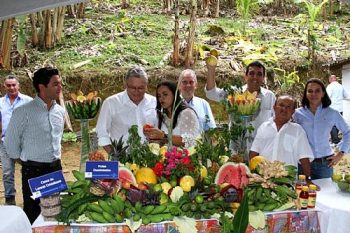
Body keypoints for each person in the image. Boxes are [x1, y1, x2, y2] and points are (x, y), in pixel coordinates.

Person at [5, 67, 65, 223]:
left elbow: (57, 140)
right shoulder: (23, 112)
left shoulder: (60, 111)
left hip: (55, 169)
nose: (60, 87)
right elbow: (10, 144)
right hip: (34, 171)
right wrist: (27, 162)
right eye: (55, 84)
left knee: (56, 213)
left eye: (60, 83)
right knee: (33, 214)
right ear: (42, 87)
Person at [294, 78, 350, 180]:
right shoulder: (297, 114)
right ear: (306, 94)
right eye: (310, 91)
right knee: (302, 194)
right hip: (302, 163)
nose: (313, 94)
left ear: (323, 93)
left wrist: (341, 153)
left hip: (324, 164)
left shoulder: (332, 113)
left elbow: (347, 132)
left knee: (326, 194)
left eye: (317, 91)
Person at [250, 95, 314, 181]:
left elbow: (304, 158)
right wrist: (252, 175)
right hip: (263, 180)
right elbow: (254, 152)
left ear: (293, 111)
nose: (284, 109)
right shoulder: (264, 127)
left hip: (287, 181)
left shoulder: (298, 130)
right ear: (274, 107)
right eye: (281, 105)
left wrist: (308, 180)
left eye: (288, 107)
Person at [205, 59, 276, 136]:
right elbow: (211, 93)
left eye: (259, 74)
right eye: (251, 73)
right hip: (237, 145)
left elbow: (275, 121)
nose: (255, 77)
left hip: (261, 145)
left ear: (263, 78)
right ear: (246, 76)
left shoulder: (270, 96)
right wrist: (211, 69)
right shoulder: (234, 92)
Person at [96, 66, 157, 154]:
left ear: (146, 86)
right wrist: (115, 156)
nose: (136, 91)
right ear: (126, 85)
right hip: (121, 159)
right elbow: (101, 133)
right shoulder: (111, 103)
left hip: (150, 158)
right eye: (132, 88)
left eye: (141, 88)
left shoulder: (155, 102)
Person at [0, 75, 32, 206]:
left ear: (18, 85)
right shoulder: (0, 102)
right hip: (5, 142)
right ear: (4, 86)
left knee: (29, 169)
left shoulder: (28, 101)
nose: (12, 87)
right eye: (9, 85)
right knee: (7, 172)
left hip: (24, 144)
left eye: (14, 85)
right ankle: (10, 198)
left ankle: (30, 197)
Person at [143, 80, 200, 148]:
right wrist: (154, 138)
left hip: (185, 157)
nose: (161, 98)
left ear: (174, 94)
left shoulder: (187, 113)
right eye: (159, 96)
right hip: (166, 156)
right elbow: (165, 143)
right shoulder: (162, 115)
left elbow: (190, 141)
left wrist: (164, 136)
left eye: (165, 94)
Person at [326, 74, 349, 144]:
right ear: (335, 79)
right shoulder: (341, 86)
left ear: (330, 79)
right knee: (338, 124)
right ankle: (336, 139)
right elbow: (346, 96)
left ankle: (335, 140)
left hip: (332, 108)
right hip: (340, 108)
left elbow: (327, 97)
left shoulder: (330, 87)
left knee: (332, 124)